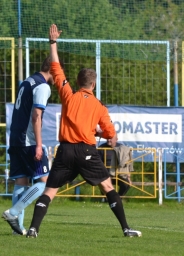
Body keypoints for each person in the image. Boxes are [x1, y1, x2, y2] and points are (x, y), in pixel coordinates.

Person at [25, 24, 141, 238]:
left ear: (77, 82)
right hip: (87, 151)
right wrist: (98, 133)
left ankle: (33, 229)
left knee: (50, 191)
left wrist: (53, 43)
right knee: (107, 186)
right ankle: (126, 229)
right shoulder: (99, 106)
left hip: (66, 151)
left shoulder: (68, 95)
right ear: (93, 84)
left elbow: (56, 67)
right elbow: (111, 136)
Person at [2, 57, 54, 235]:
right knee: (45, 182)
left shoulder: (27, 81)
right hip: (28, 141)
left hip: (15, 138)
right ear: (53, 69)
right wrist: (39, 145)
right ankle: (13, 212)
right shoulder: (43, 86)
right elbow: (36, 115)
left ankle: (18, 230)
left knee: (21, 182)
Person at [98, 134, 132, 199]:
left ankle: (118, 199)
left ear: (116, 139)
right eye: (107, 138)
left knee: (126, 184)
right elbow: (98, 163)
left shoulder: (122, 148)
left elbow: (127, 164)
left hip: (119, 175)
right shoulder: (101, 148)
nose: (108, 140)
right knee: (103, 184)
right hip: (106, 175)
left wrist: (128, 177)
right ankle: (106, 200)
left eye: (110, 138)